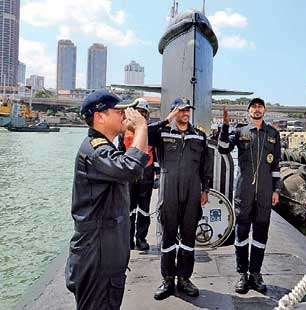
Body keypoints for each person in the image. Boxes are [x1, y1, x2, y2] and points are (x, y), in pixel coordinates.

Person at [65, 90, 149, 310]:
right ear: (99, 116)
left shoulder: (106, 148)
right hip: (96, 255)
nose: (124, 115)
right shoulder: (95, 150)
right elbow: (131, 168)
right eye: (118, 111)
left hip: (106, 253)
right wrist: (141, 127)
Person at [149, 98, 212, 300]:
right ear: (174, 112)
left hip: (192, 189)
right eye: (181, 110)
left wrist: (206, 189)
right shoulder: (162, 133)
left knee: (187, 236)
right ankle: (167, 279)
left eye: (187, 110)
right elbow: (147, 136)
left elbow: (206, 166)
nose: (186, 113)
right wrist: (166, 120)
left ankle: (184, 278)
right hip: (169, 190)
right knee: (168, 235)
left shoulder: (199, 136)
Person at [217, 98, 281, 295]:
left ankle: (255, 273)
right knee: (242, 233)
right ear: (249, 110)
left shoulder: (273, 134)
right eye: (253, 106)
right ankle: (242, 274)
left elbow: (276, 164)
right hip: (244, 190)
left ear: (264, 110)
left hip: (264, 191)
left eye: (260, 106)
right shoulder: (240, 131)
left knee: (261, 234)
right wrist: (225, 126)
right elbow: (223, 148)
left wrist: (276, 189)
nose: (257, 109)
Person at [117, 98, 157, 251]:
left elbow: (156, 154)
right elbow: (120, 151)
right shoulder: (124, 132)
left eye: (143, 112)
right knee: (129, 208)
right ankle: (128, 239)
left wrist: (157, 174)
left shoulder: (150, 131)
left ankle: (141, 238)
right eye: (138, 112)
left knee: (144, 209)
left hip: (146, 173)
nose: (140, 115)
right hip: (129, 174)